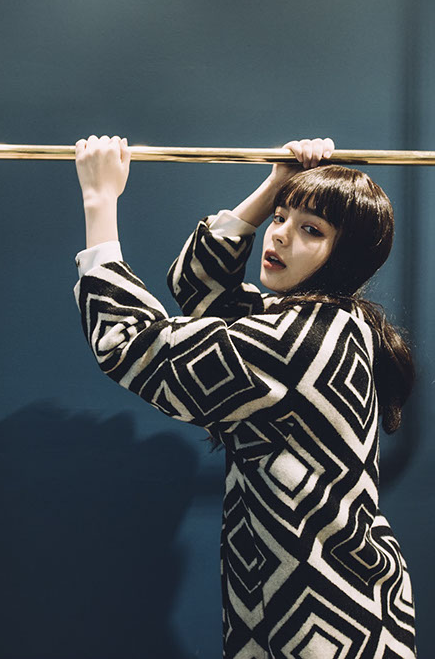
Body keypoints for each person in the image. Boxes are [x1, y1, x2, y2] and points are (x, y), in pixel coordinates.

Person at [73, 135, 416, 659]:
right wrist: (277, 184)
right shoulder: (320, 322)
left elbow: (134, 346)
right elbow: (198, 289)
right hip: (326, 605)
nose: (279, 234)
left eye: (311, 229)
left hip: (327, 618)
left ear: (344, 255)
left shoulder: (300, 340)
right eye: (280, 218)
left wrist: (99, 203)